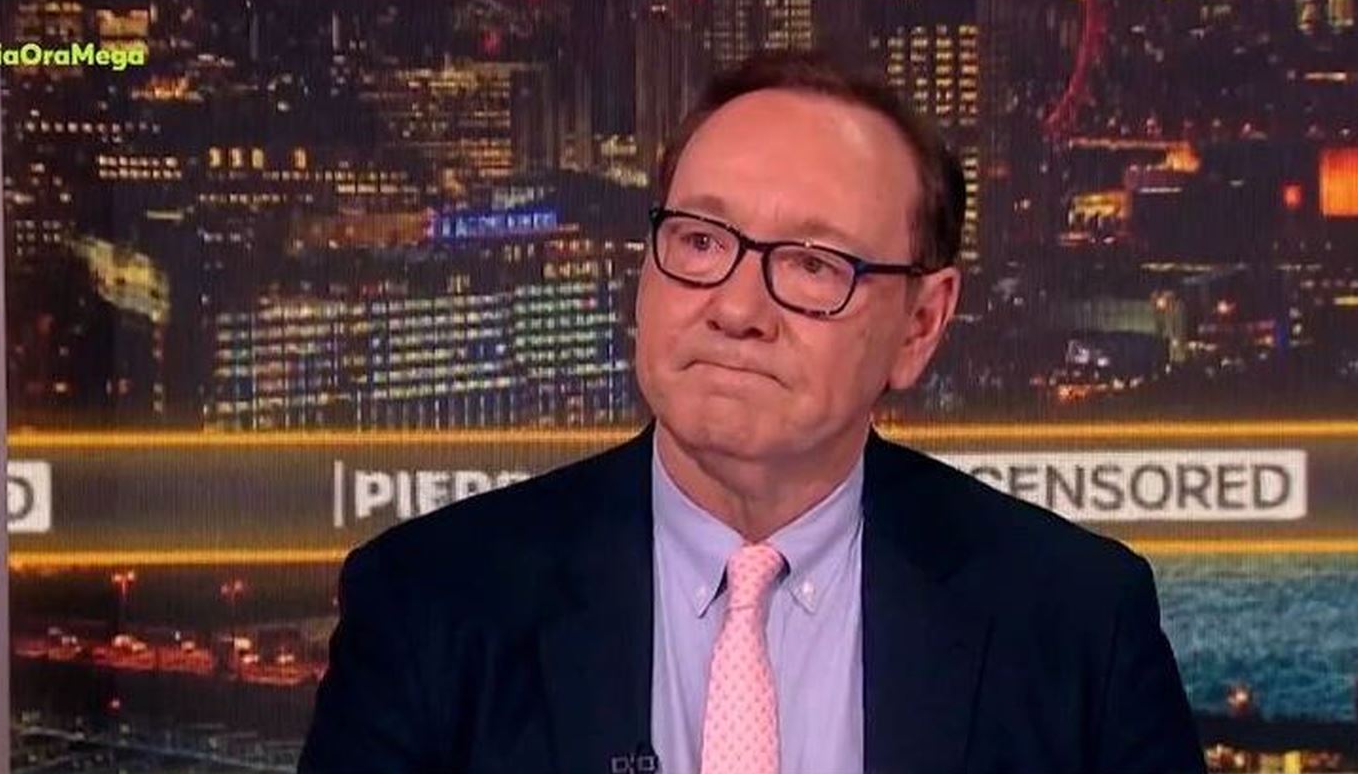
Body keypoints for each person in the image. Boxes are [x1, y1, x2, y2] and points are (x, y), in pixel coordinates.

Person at [300, 49, 1204, 774]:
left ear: (921, 324)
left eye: (812, 264)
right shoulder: (431, 603)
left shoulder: (1075, 620)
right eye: (699, 241)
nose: (735, 308)